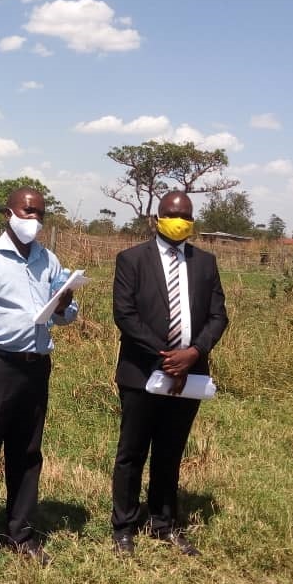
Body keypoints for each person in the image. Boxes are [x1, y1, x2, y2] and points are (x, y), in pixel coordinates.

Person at [0, 187, 77, 581]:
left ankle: (21, 534)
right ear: (9, 213)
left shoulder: (48, 259)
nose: (34, 220)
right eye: (28, 211)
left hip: (35, 367)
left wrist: (64, 304)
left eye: (40, 213)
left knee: (27, 454)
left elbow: (66, 315)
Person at [110, 190, 227, 557]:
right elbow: (125, 315)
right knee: (132, 451)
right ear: (156, 218)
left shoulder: (205, 263)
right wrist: (166, 357)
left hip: (188, 375)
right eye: (172, 213)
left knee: (171, 450)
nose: (180, 220)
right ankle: (124, 526)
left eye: (186, 215)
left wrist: (193, 353)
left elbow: (218, 315)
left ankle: (163, 522)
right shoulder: (131, 260)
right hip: (143, 371)